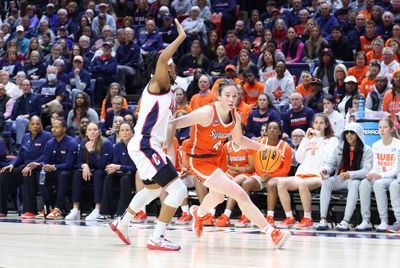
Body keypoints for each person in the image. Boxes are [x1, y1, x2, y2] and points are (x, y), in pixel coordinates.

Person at [168, 79, 291, 248]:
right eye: (227, 95)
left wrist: (264, 147)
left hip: (217, 157)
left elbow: (239, 140)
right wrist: (170, 154)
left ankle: (199, 212)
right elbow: (172, 124)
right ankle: (272, 232)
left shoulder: (235, 115)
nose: (232, 99)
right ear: (218, 96)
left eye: (235, 95)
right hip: (198, 159)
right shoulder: (206, 112)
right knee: (239, 193)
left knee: (218, 196)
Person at [109, 19, 188, 251]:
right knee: (179, 190)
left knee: (153, 189)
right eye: (172, 66)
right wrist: (180, 38)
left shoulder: (167, 89)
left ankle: (121, 224)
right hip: (146, 144)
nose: (174, 68)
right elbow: (163, 58)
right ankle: (157, 237)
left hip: (147, 144)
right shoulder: (158, 81)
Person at [277, 113, 338, 229]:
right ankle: (289, 217)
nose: (318, 125)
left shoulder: (332, 140)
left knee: (303, 184)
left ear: (326, 125)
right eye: (316, 122)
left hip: (318, 176)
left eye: (321, 123)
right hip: (301, 175)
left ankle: (307, 218)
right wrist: (305, 139)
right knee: (281, 183)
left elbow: (328, 159)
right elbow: (299, 159)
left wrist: (319, 139)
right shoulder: (309, 139)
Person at [315, 122, 373, 231]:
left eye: (352, 133)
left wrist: (351, 174)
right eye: (347, 133)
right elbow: (330, 163)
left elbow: (367, 170)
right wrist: (326, 170)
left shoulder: (367, 150)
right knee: (327, 182)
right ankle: (323, 220)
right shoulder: (339, 147)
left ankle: (345, 221)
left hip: (356, 179)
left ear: (358, 135)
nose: (349, 135)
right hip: (341, 177)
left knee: (354, 183)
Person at [0, 116, 52, 218]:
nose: (35, 126)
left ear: (41, 125)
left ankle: (30, 210)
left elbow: (47, 155)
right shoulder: (26, 136)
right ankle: (1, 209)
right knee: (4, 175)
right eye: (32, 124)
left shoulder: (47, 136)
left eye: (38, 124)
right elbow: (21, 155)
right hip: (25, 165)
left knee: (27, 172)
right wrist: (12, 164)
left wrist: (34, 164)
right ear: (29, 126)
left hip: (38, 167)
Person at [356, 118, 400, 232]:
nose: (382, 130)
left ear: (391, 129)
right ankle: (366, 221)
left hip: (391, 177)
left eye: (385, 127)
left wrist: (381, 176)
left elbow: (396, 170)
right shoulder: (375, 145)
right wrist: (371, 174)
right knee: (364, 183)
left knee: (379, 184)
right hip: (380, 176)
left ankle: (384, 221)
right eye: (380, 127)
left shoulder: (398, 144)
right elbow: (375, 166)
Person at [66, 122, 113, 221]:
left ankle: (97, 209)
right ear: (86, 133)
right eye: (90, 130)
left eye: (95, 130)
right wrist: (84, 165)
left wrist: (92, 151)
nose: (92, 132)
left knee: (98, 173)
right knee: (77, 173)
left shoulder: (106, 143)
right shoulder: (83, 142)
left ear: (99, 132)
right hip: (88, 172)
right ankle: (75, 209)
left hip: (102, 173)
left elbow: (102, 166)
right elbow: (78, 162)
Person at [37, 118, 76, 220]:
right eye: (53, 127)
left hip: (67, 172)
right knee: (41, 174)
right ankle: (47, 207)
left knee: (63, 174)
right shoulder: (50, 143)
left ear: (64, 129)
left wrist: (54, 167)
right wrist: (45, 166)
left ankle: (58, 208)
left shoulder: (71, 142)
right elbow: (45, 160)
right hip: (53, 171)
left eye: (57, 127)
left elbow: (69, 164)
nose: (53, 130)